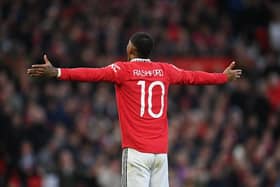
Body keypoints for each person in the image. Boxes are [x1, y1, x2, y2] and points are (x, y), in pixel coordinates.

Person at [27, 32, 242, 187]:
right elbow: (194, 77)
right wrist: (223, 77)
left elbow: (93, 74)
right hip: (160, 154)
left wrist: (57, 72)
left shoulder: (123, 70)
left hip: (137, 153)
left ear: (131, 49)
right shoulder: (164, 70)